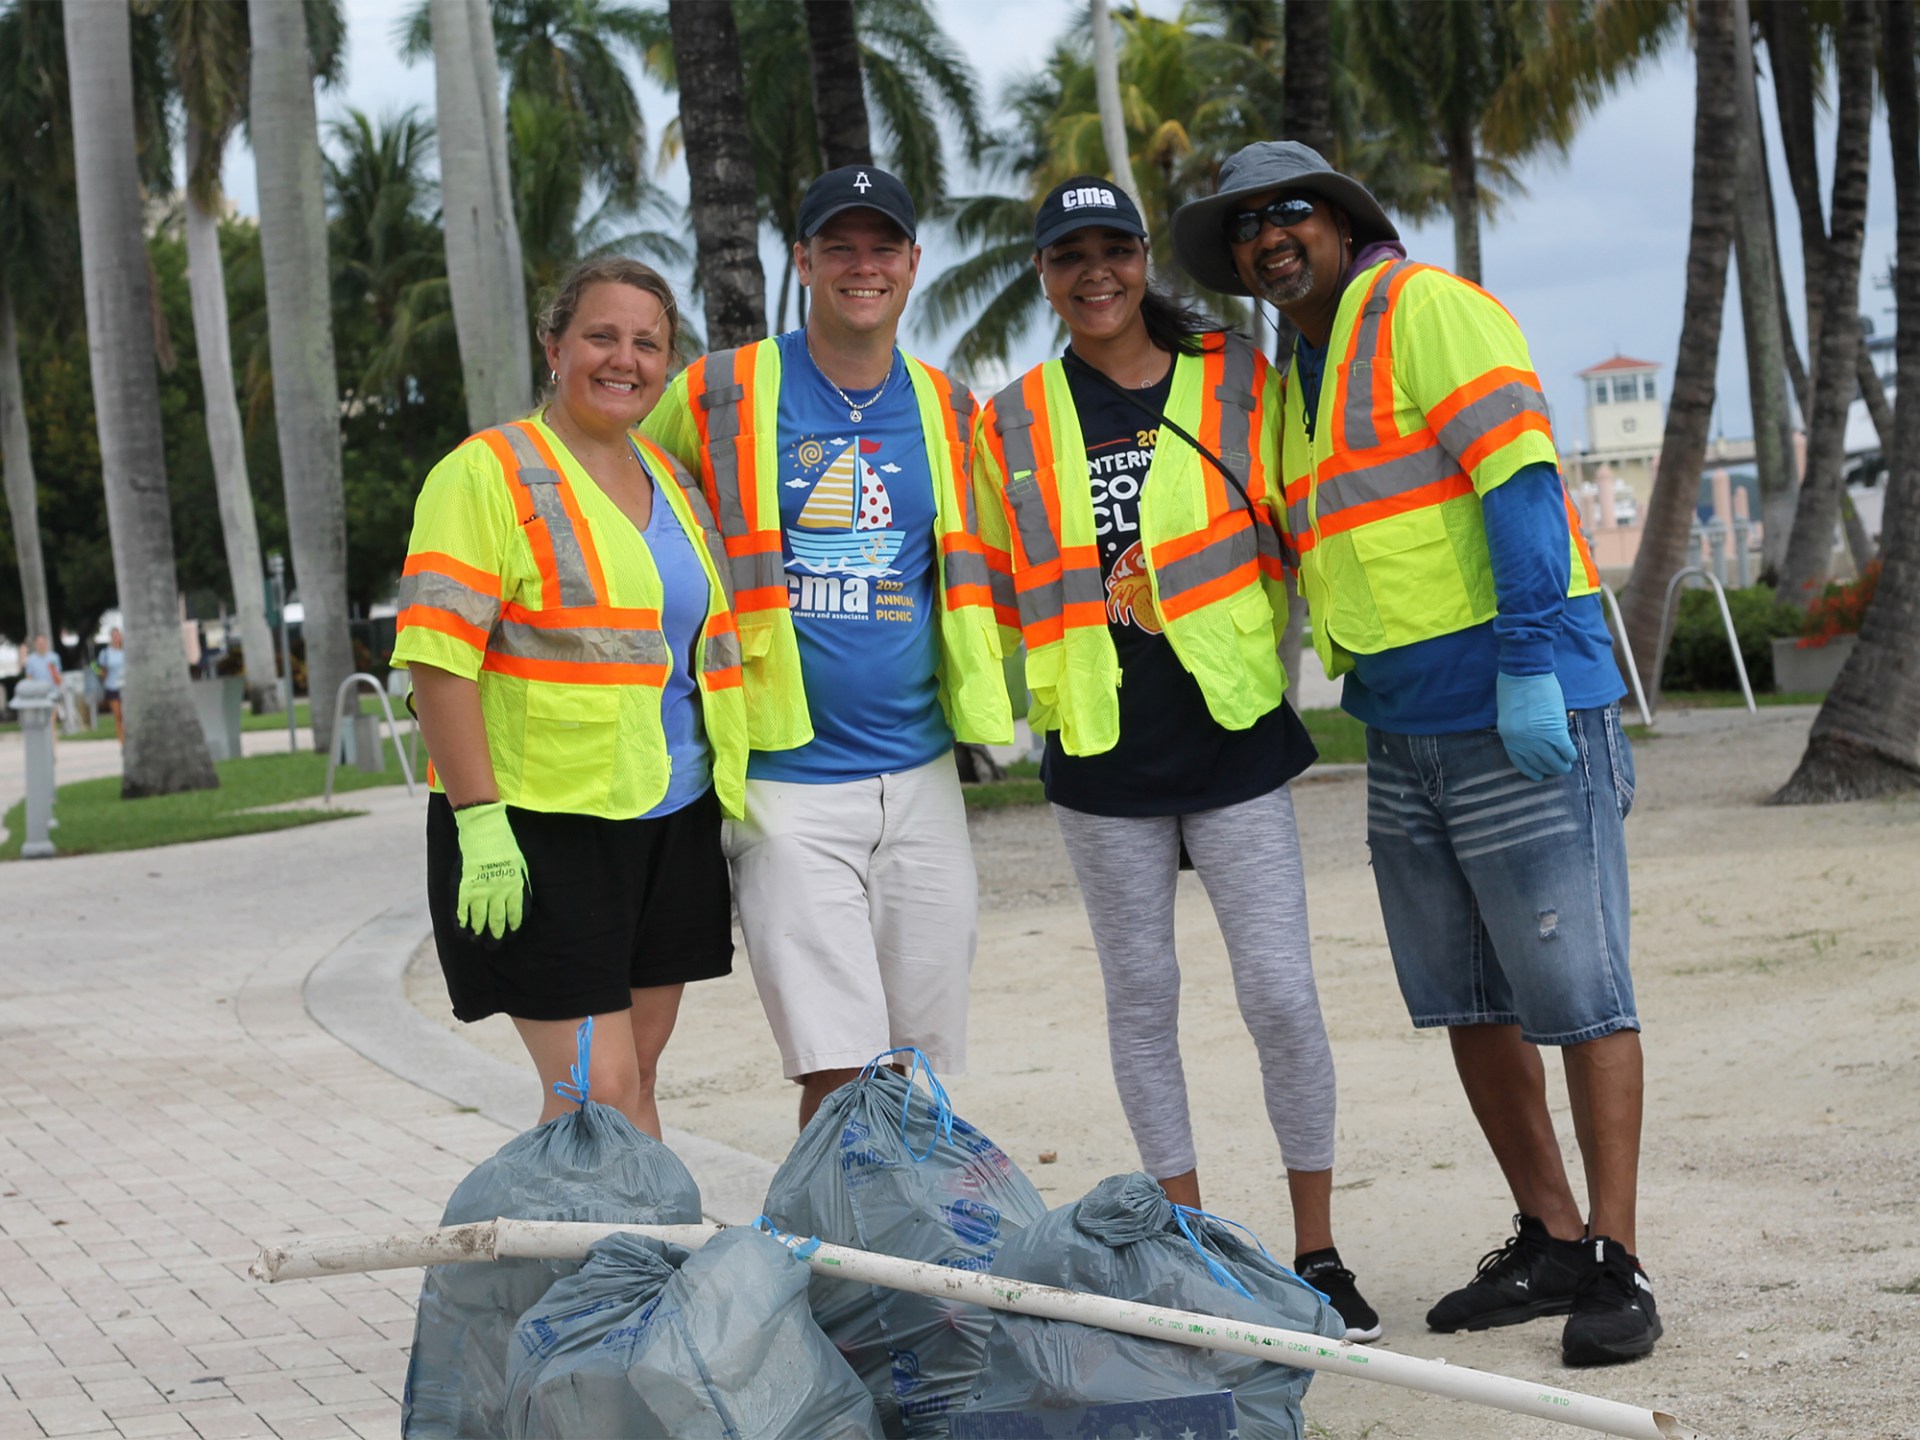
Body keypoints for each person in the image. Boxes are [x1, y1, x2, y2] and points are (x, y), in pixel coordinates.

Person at [1174, 142, 1655, 1367]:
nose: (1267, 239)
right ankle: (1549, 1235)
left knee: (1580, 990)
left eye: (1289, 212)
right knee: (1466, 998)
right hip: (1401, 725)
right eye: (1244, 229)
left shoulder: (1425, 307)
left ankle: (1618, 1259)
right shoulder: (1296, 373)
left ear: (1340, 219)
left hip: (1513, 700)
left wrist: (1535, 659)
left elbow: (1520, 478)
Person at [969, 177, 1378, 1341]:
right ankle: (1189, 1251)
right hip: (1099, 745)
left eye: (1112, 249)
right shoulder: (1006, 419)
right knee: (1142, 1000)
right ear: (1043, 277)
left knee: (1282, 997)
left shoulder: (1235, 379)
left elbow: (1308, 505)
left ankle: (1320, 1252)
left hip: (1234, 725)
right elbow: (987, 577)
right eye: (1066, 257)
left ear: (1144, 258)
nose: (1092, 273)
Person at [644, 165, 1012, 1128]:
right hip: (784, 781)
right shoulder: (719, 390)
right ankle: (836, 1269)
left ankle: (911, 1268)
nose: (862, 265)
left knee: (918, 1071)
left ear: (913, 263)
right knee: (837, 1068)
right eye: (838, 246)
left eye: (881, 246)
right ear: (801, 260)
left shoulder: (949, 406)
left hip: (924, 772)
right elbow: (627, 503)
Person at [391, 256, 748, 1139]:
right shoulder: (485, 473)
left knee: (639, 1081)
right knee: (596, 1091)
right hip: (539, 829)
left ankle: (644, 1269)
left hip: (671, 814)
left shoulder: (674, 482)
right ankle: (592, 1273)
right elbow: (437, 660)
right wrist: (479, 823)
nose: (623, 359)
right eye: (600, 336)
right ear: (554, 346)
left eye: (647, 343)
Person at [22, 635, 63, 739]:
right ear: (35, 645)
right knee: (39, 723)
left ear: (46, 644)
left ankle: (52, 749)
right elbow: (29, 679)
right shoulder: (31, 660)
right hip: (37, 696)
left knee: (51, 721)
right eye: (39, 643)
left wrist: (53, 671)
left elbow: (58, 681)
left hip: (52, 694)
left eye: (43, 643)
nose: (41, 645)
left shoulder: (54, 658)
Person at [96, 627, 126, 745]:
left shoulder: (126, 651)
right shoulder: (105, 653)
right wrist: (101, 674)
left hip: (125, 686)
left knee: (126, 714)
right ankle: (121, 740)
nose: (116, 638)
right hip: (111, 686)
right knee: (118, 715)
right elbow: (95, 667)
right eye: (114, 636)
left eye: (118, 635)